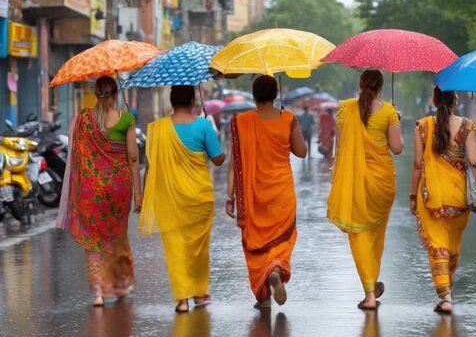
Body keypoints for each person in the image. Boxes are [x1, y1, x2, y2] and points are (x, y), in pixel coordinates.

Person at [56, 76, 142, 307]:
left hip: (90, 189)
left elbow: (76, 153)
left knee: (93, 241)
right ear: (115, 94)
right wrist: (138, 192)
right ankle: (120, 284)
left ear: (96, 94)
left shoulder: (83, 119)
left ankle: (97, 293)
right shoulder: (126, 119)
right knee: (116, 237)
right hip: (118, 189)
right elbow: (133, 157)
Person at [139, 85, 225, 313]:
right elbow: (218, 160)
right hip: (200, 197)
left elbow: (150, 166)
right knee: (198, 248)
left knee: (175, 248)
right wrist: (212, 133)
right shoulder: (204, 125)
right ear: (192, 101)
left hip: (169, 198)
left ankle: (182, 300)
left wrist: (142, 197)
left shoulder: (156, 129)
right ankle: (200, 292)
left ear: (171, 101)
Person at [226, 75, 307, 309]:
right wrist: (290, 125)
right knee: (281, 240)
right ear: (275, 95)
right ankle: (276, 270)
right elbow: (301, 152)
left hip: (253, 196)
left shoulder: (241, 122)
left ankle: (263, 295)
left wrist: (230, 198)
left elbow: (234, 163)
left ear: (254, 96)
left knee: (256, 242)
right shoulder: (288, 119)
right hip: (281, 192)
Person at [327, 70, 404, 310]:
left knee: (358, 235)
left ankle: (369, 292)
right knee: (376, 235)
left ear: (361, 85)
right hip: (382, 184)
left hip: (354, 181)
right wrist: (395, 119)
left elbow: (339, 148)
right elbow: (397, 148)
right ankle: (371, 283)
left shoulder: (346, 110)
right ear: (381, 87)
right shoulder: (389, 112)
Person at [409, 86, 476, 314]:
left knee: (437, 246)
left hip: (431, 197)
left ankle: (446, 296)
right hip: (459, 198)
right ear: (455, 100)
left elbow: (418, 164)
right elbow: (475, 160)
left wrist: (412, 196)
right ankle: (447, 290)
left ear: (434, 100)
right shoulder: (467, 125)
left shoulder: (422, 126)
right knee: (452, 246)